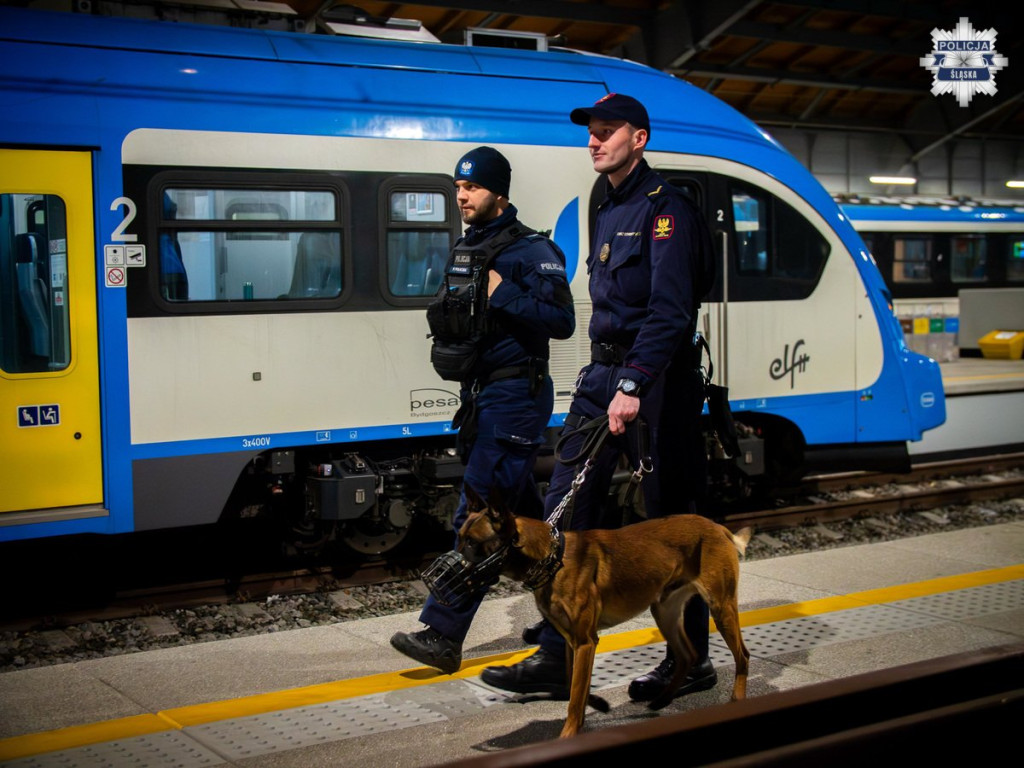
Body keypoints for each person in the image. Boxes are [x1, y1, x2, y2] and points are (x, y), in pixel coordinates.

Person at [480, 94, 717, 702]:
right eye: (591, 131)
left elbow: (670, 313)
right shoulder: (603, 203)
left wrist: (634, 383)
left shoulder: (669, 211)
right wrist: (607, 380)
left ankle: (691, 662)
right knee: (565, 509)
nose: (594, 140)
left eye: (607, 131)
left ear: (639, 138)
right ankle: (560, 658)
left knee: (669, 520)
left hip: (658, 382)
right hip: (602, 375)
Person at [390, 146, 575, 674]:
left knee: (475, 517)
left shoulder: (532, 251)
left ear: (499, 191)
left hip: (515, 397)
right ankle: (560, 614)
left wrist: (504, 294)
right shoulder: (468, 247)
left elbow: (561, 320)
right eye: (458, 187)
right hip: (481, 397)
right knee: (532, 521)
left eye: (471, 187)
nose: (462, 195)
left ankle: (442, 635)